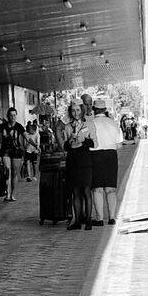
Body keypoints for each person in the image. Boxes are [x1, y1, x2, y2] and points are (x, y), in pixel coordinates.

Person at [84, 97, 123, 225]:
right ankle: (112, 218)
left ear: (93, 109)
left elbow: (85, 142)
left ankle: (99, 219)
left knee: (97, 189)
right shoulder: (113, 123)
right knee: (111, 189)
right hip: (111, 156)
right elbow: (119, 145)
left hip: (94, 156)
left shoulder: (89, 123)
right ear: (105, 109)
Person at [62, 98, 93, 231]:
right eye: (73, 110)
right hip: (73, 162)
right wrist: (70, 140)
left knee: (86, 191)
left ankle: (89, 220)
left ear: (82, 111)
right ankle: (77, 221)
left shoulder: (88, 124)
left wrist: (83, 140)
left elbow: (94, 143)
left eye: (78, 110)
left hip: (85, 161)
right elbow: (65, 146)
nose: (76, 113)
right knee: (75, 192)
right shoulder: (68, 126)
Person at [0, 106, 24, 203]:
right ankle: (7, 194)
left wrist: (35, 145)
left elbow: (25, 136)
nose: (13, 117)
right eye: (11, 115)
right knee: (7, 171)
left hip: (16, 151)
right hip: (5, 151)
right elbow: (0, 141)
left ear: (16, 116)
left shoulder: (19, 126)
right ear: (7, 116)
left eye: (14, 115)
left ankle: (12, 193)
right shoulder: (2, 126)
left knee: (15, 173)